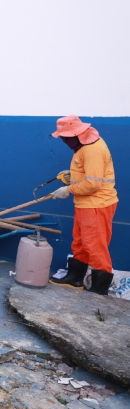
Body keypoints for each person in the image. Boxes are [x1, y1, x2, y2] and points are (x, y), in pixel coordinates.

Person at [49, 115, 118, 295]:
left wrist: (68, 189)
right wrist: (73, 174)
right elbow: (90, 172)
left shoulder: (92, 150)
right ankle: (75, 278)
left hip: (96, 205)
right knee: (80, 242)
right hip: (86, 204)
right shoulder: (84, 145)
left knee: (95, 246)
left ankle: (98, 291)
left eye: (65, 137)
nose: (64, 141)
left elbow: (93, 184)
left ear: (76, 134)